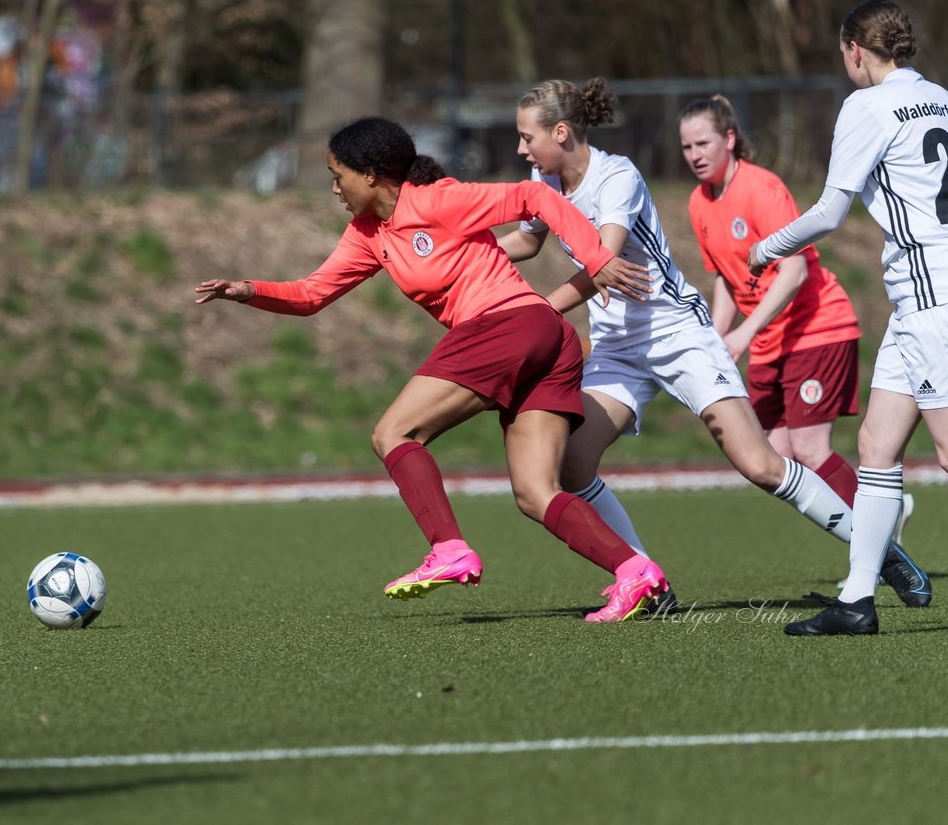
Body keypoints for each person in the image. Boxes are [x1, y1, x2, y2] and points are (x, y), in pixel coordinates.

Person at [195, 116, 669, 623]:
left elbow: (538, 201)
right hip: (544, 336)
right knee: (536, 493)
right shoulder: (367, 234)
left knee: (393, 433)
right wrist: (251, 291)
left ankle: (448, 549)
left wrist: (596, 259)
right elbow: (312, 294)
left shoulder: (438, 199)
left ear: (372, 174)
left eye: (339, 175)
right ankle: (634, 573)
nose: (334, 187)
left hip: (507, 326)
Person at [496, 77, 932, 611]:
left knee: (762, 465)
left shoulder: (617, 176)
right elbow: (525, 239)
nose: (520, 149)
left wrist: (537, 310)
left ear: (560, 132)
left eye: (526, 137)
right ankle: (646, 582)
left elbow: (603, 262)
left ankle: (879, 551)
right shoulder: (541, 183)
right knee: (573, 465)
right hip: (617, 347)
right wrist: (461, 250)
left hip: (677, 333)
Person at [749, 0, 948, 635]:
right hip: (941, 289)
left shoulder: (868, 106)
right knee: (877, 446)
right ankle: (857, 600)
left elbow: (828, 212)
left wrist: (766, 248)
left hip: (935, 291)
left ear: (855, 49)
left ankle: (857, 596)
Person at [679, 95, 927, 605]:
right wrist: (715, 338)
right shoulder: (699, 203)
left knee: (811, 450)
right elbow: (726, 279)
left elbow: (794, 272)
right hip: (771, 343)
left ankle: (875, 549)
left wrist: (743, 335)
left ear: (729, 139)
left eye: (703, 142)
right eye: (685, 146)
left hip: (819, 329)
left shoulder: (762, 187)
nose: (694, 154)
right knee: (772, 459)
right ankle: (881, 518)